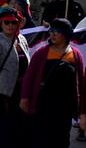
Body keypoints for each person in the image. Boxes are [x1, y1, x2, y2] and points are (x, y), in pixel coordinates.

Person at [20, 18, 84, 148]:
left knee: (61, 139)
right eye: (51, 31)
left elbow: (82, 83)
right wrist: (25, 97)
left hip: (64, 107)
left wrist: (83, 110)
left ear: (66, 34)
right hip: (43, 105)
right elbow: (29, 76)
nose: (52, 34)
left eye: (57, 32)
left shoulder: (75, 55)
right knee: (41, 139)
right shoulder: (41, 53)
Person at [0, 7, 30, 148]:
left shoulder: (21, 39)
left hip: (19, 92)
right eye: (6, 22)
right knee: (1, 133)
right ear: (1, 24)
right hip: (1, 93)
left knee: (18, 131)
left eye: (13, 22)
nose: (10, 25)